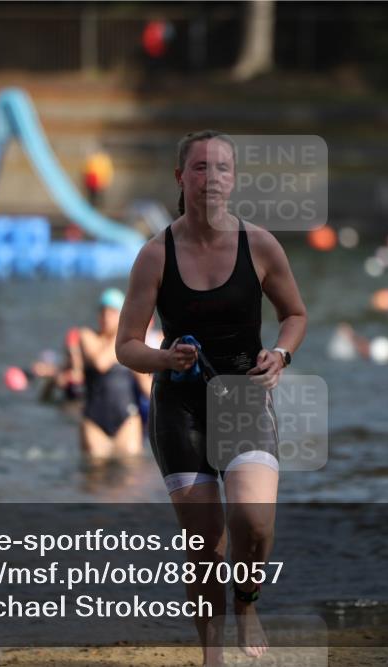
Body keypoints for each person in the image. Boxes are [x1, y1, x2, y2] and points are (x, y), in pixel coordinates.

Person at [115, 130, 307, 665]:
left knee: (255, 521)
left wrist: (281, 355)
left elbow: (296, 315)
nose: (211, 178)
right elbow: (125, 346)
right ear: (181, 178)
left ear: (234, 179)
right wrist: (165, 358)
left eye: (222, 168)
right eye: (200, 168)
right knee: (206, 544)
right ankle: (212, 655)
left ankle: (247, 602)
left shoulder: (261, 245)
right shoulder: (155, 255)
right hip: (181, 408)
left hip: (245, 398)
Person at [77, 288, 152, 461]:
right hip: (94, 420)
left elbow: (143, 381)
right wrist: (125, 335)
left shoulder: (129, 343)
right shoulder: (87, 336)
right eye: (102, 312)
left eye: (112, 312)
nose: (106, 317)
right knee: (95, 473)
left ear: (121, 314)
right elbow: (100, 363)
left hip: (126, 419)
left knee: (130, 472)